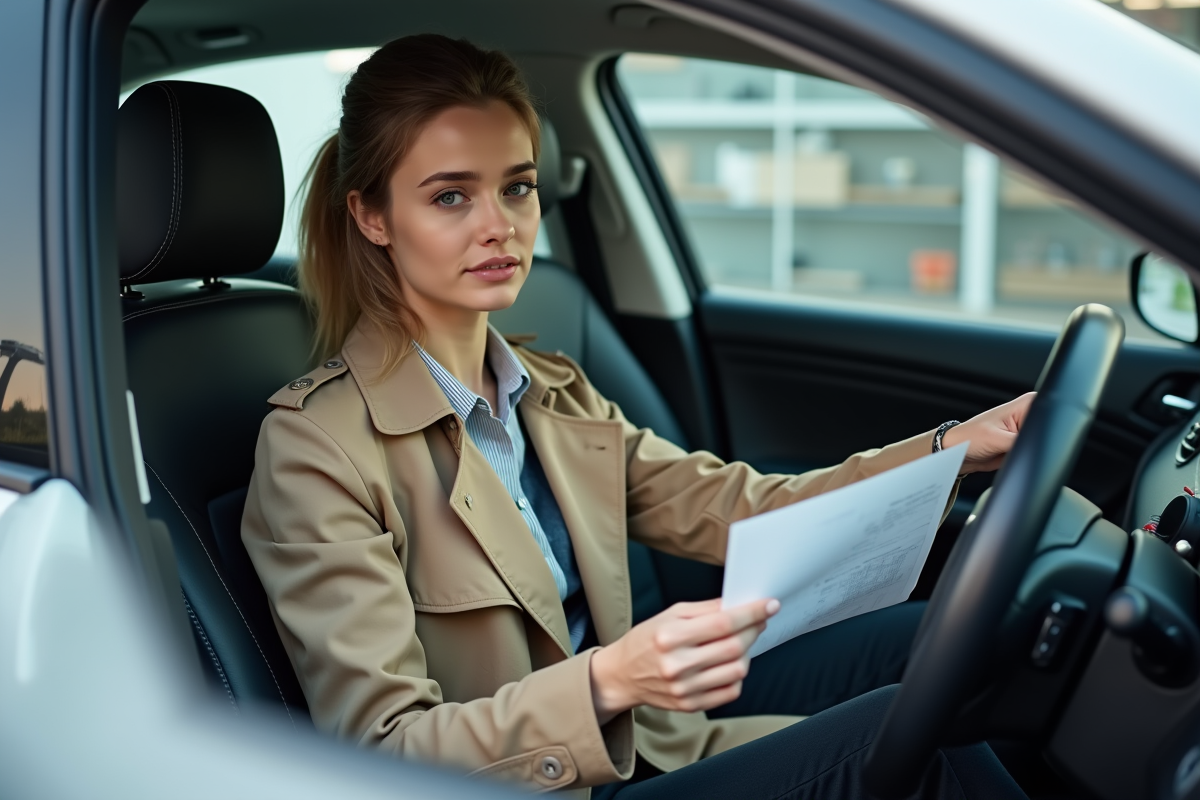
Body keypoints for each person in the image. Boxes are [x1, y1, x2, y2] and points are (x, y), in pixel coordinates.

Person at [241, 33, 1033, 799]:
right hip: (547, 779)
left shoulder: (552, 390)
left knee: (959, 648)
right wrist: (610, 677)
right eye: (451, 195)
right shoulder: (318, 447)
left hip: (656, 732)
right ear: (372, 217)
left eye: (516, 187)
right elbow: (383, 751)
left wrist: (951, 451)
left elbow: (744, 511)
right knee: (914, 749)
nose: (501, 226)